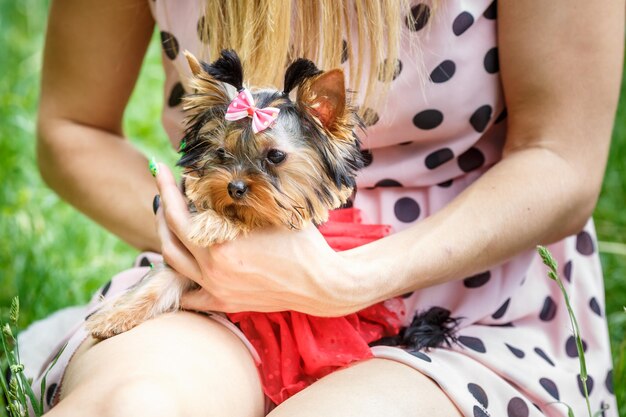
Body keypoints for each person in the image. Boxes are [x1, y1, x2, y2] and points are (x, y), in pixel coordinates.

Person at [33, 0, 622, 416]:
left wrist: (343, 281)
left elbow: (560, 160)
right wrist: (207, 242)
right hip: (219, 288)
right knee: (135, 405)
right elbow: (72, 127)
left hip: (470, 303)